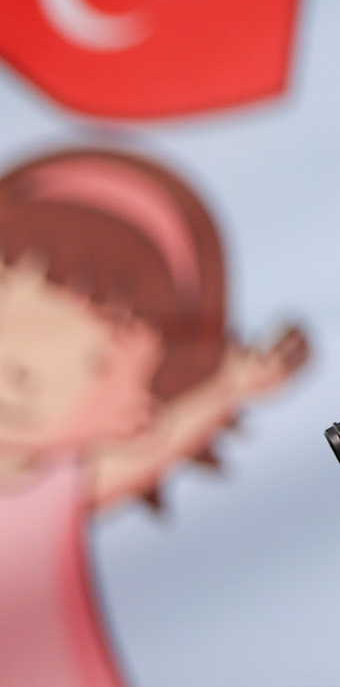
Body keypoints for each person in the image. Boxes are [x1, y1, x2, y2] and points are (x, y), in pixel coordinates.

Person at [0, 147, 309, 687]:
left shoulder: (54, 491)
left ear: (138, 409)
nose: (22, 372)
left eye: (94, 361)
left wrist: (232, 386)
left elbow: (151, 450)